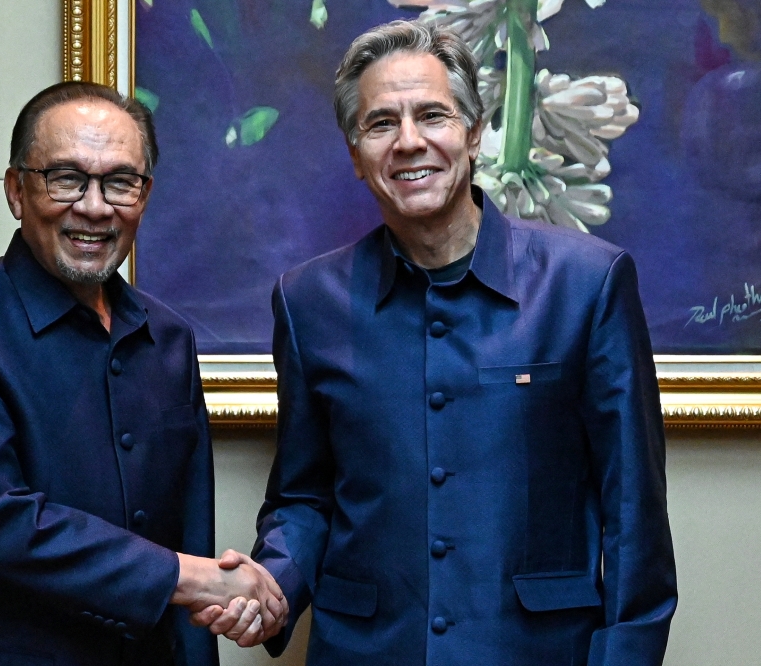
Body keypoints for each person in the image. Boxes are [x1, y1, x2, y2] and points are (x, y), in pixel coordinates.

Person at [206, 18, 677, 665]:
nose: (408, 142)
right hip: (366, 652)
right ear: (353, 152)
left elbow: (634, 517)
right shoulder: (308, 301)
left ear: (473, 131)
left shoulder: (587, 285)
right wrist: (276, 584)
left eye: (432, 115)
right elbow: (304, 495)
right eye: (380, 124)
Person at [0, 81, 285, 666]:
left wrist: (205, 591)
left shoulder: (169, 338)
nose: (95, 207)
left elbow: (189, 533)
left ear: (144, 196)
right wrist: (192, 578)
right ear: (16, 190)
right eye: (67, 177)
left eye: (120, 182)